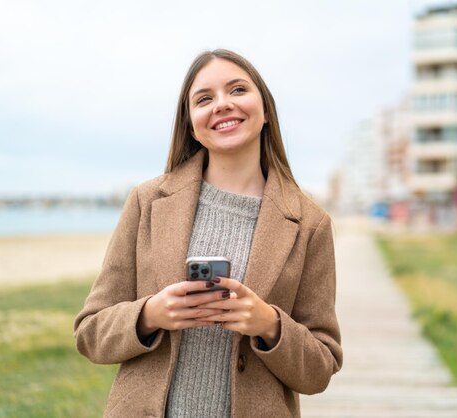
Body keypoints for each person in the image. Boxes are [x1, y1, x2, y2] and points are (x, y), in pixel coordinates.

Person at [73, 49, 342, 418]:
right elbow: (89, 334)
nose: (222, 105)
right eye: (204, 99)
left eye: (237, 90)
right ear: (190, 124)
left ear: (265, 111)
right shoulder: (146, 202)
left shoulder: (310, 224)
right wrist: (150, 315)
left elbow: (320, 369)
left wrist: (269, 324)